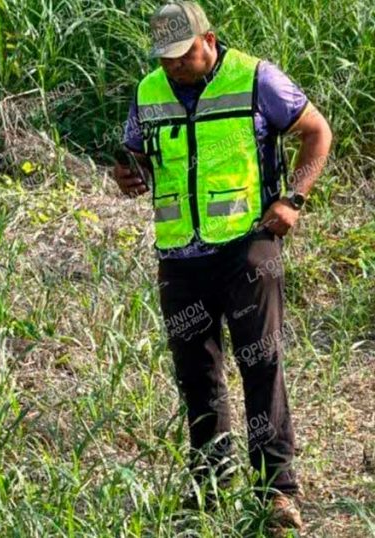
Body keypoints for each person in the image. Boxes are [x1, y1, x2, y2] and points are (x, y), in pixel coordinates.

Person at [112, 1, 332, 533]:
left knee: (261, 364)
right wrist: (129, 174)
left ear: (207, 39)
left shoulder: (256, 79)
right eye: (164, 59)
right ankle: (209, 485)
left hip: (246, 247)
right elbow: (135, 155)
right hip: (180, 255)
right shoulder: (147, 92)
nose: (173, 68)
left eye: (182, 56)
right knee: (197, 375)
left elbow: (317, 133)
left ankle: (276, 494)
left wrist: (293, 200)